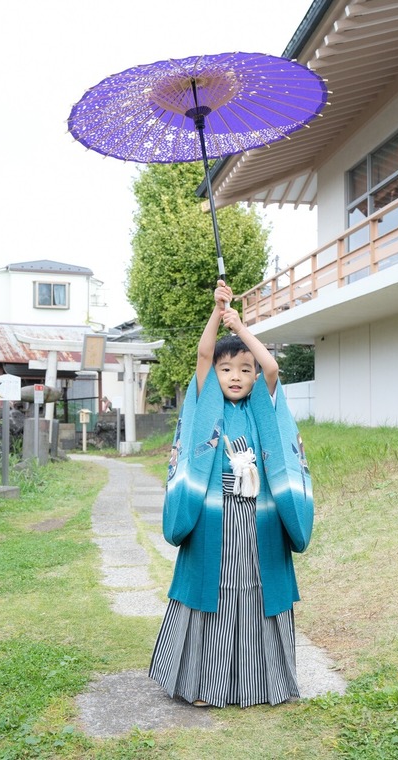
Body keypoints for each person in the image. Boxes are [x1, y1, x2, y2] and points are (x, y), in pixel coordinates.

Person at [149, 279, 314, 708]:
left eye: (244, 369)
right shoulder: (208, 405)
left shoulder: (261, 405)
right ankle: (205, 686)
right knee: (214, 591)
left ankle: (262, 684)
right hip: (214, 515)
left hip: (258, 519)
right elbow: (204, 354)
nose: (236, 376)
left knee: (258, 590)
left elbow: (272, 368)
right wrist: (216, 310)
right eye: (227, 370)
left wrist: (240, 328)